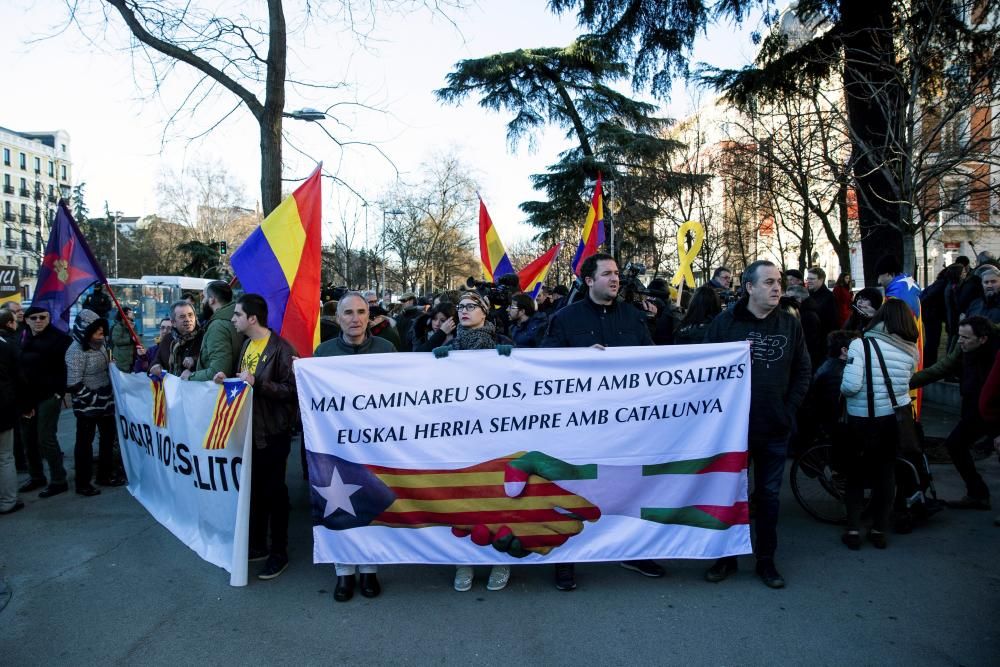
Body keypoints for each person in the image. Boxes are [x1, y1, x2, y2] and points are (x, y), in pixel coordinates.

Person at [540, 253, 662, 590]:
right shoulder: (565, 318)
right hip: (579, 423)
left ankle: (633, 550)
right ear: (589, 280)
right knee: (571, 488)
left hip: (626, 423)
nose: (615, 279)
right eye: (607, 273)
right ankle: (565, 558)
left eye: (617, 273)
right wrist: (578, 359)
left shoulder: (635, 318)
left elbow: (655, 362)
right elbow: (544, 364)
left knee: (630, 485)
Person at [703, 260, 811, 589]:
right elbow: (704, 370)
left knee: (768, 496)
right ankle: (725, 557)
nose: (777, 288)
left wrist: (787, 410)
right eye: (768, 282)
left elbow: (803, 370)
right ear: (749, 287)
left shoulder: (789, 324)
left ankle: (766, 560)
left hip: (773, 429)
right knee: (728, 495)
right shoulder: (725, 323)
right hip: (732, 432)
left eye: (778, 281)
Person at [426, 291, 518, 593]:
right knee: (463, 497)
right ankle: (463, 560)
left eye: (471, 306)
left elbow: (524, 383)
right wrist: (434, 355)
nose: (464, 311)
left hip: (496, 435)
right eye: (461, 307)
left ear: (485, 312)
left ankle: (500, 560)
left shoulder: (504, 343)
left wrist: (514, 359)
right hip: (459, 436)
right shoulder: (448, 345)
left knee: (497, 497)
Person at [314, 292, 394, 601]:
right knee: (338, 505)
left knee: (370, 503)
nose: (355, 318)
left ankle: (370, 570)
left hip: (375, 444)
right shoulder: (323, 353)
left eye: (361, 311)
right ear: (338, 318)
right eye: (348, 312)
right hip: (335, 444)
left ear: (369, 316)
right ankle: (344, 572)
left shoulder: (387, 349)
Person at [215, 294, 298, 581]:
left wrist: (259, 383)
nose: (233, 319)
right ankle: (259, 545)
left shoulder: (281, 349)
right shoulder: (248, 344)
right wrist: (229, 383)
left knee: (275, 492)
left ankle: (279, 552)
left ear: (252, 318)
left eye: (237, 314)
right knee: (255, 491)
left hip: (273, 433)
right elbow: (245, 384)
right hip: (250, 431)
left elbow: (292, 390)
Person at [839, 300, 920, 549]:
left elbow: (851, 386)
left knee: (855, 476)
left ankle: (853, 530)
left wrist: (843, 379)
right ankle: (879, 531)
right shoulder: (911, 350)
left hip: (861, 421)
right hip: (892, 421)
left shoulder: (860, 345)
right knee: (885, 476)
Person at [910, 316, 998, 510]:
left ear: (982, 339)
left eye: (966, 338)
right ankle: (978, 494)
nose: (959, 341)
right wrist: (907, 382)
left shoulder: (996, 354)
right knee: (956, 445)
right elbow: (940, 369)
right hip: (974, 410)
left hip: (996, 412)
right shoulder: (963, 349)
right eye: (959, 336)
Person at [65, 309, 126, 495]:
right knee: (84, 443)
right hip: (87, 404)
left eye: (102, 329)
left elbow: (108, 362)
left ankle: (104, 475)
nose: (102, 333)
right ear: (86, 330)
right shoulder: (75, 351)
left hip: (105, 401)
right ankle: (83, 483)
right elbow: (73, 383)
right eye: (97, 330)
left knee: (107, 439)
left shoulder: (100, 343)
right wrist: (93, 399)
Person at [18, 305, 72, 498]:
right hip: (26, 397)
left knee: (45, 438)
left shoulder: (60, 339)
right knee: (28, 439)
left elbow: (66, 368)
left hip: (49, 395)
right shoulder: (22, 337)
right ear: (26, 320)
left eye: (43, 317)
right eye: (34, 318)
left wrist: (60, 392)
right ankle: (36, 476)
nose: (39, 320)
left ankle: (59, 479)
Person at [186, 281, 243, 381]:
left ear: (212, 300)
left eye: (204, 297)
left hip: (217, 392)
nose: (203, 301)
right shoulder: (236, 318)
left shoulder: (218, 326)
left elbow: (218, 371)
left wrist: (190, 376)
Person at [0, 309, 24, 514]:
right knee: (5, 456)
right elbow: (19, 377)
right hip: (3, 409)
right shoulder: (6, 347)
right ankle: (8, 500)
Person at [149, 301, 203, 378]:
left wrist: (194, 360)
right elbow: (158, 359)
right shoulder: (168, 339)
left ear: (195, 317)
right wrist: (155, 366)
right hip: (171, 387)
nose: (187, 319)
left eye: (190, 315)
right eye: (182, 316)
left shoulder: (204, 336)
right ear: (173, 322)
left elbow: (212, 361)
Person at [110, 306, 138, 373]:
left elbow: (136, 338)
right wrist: (130, 339)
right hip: (123, 357)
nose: (132, 313)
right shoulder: (118, 326)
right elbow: (116, 340)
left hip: (131, 355)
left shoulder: (133, 324)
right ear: (124, 315)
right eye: (129, 312)